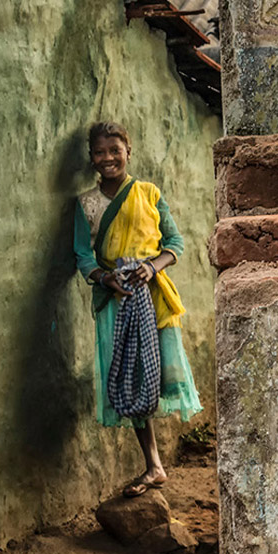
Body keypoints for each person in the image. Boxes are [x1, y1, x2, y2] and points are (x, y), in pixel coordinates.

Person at [72, 121, 201, 496]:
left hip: (152, 296)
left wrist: (150, 267)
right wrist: (104, 277)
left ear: (129, 151)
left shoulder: (148, 193)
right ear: (91, 158)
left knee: (153, 372)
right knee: (129, 375)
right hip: (116, 299)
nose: (108, 158)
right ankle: (154, 465)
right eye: (100, 152)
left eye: (115, 150)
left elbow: (174, 242)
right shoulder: (86, 204)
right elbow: (81, 255)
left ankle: (155, 465)